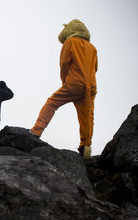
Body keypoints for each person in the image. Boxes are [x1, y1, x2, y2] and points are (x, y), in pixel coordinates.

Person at [30, 19, 98, 159]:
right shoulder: (92, 47)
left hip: (74, 83)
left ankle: (36, 131)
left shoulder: (70, 42)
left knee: (52, 102)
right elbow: (95, 68)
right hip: (90, 86)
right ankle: (85, 148)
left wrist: (64, 82)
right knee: (87, 116)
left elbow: (64, 64)